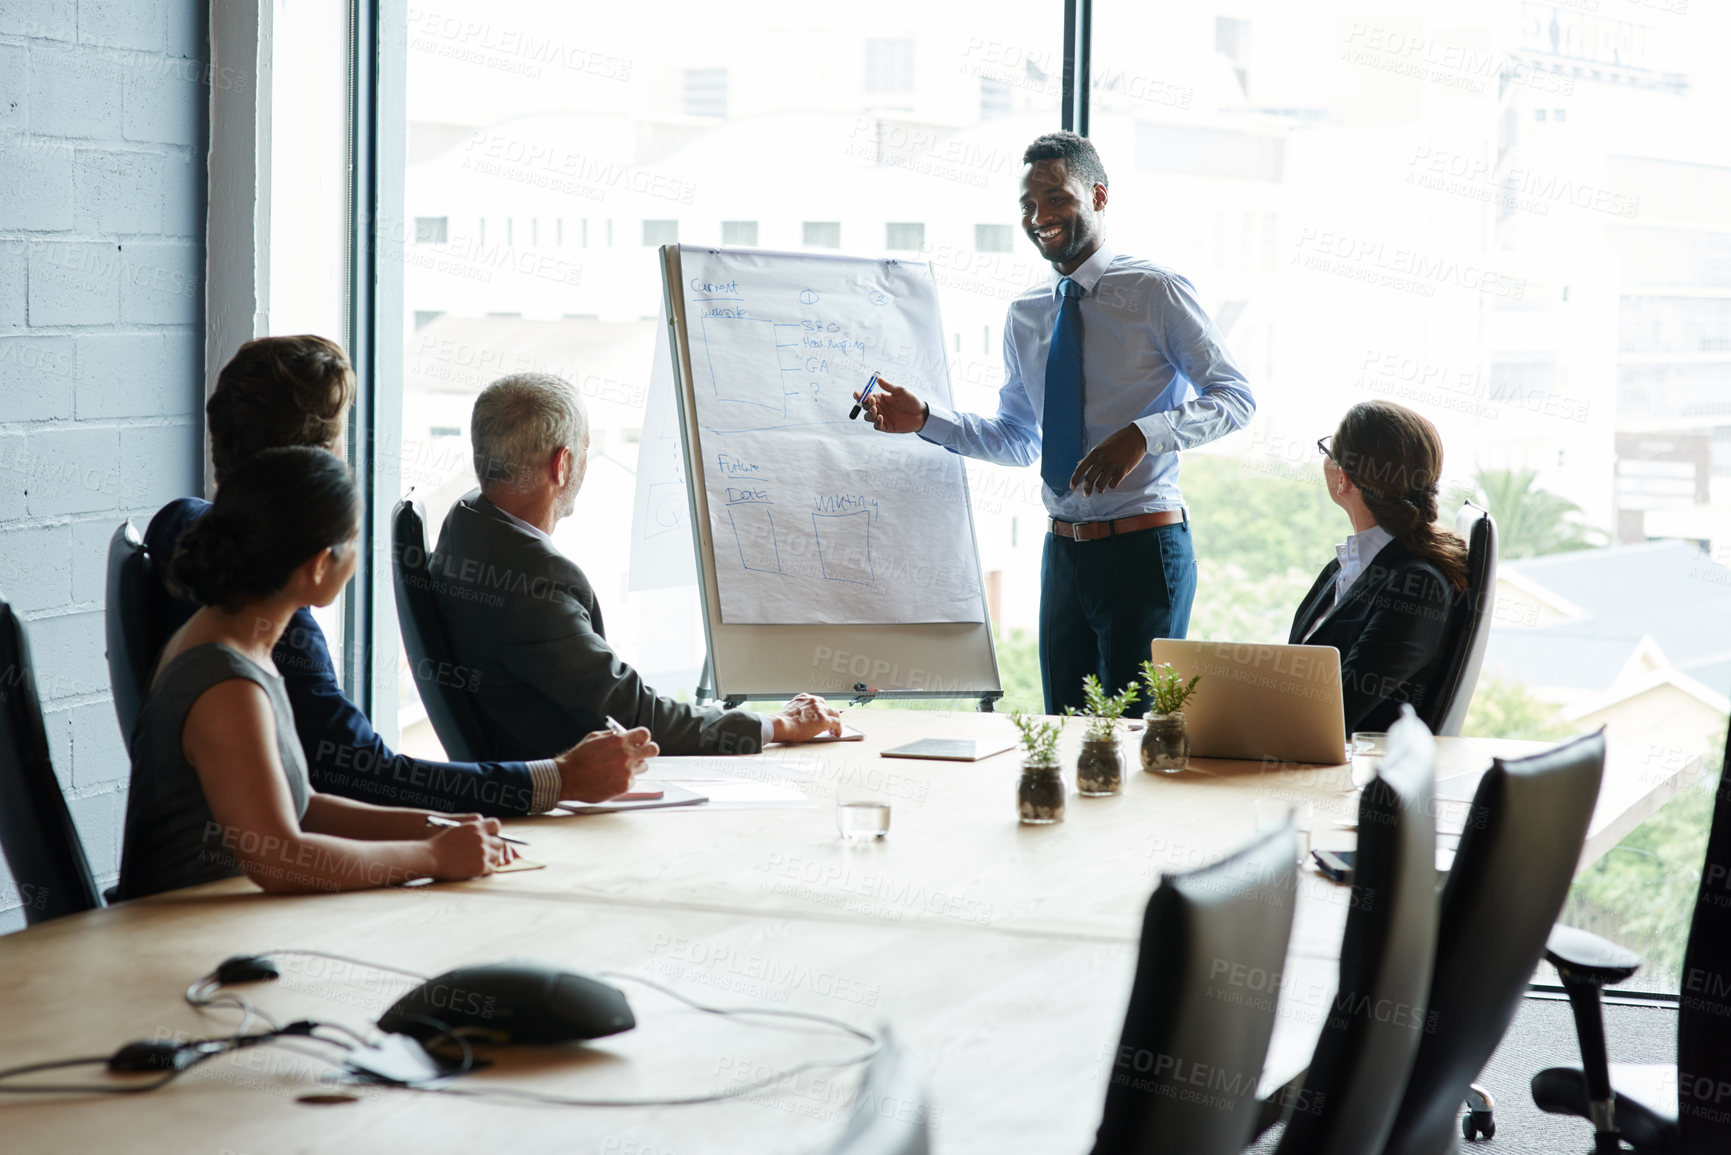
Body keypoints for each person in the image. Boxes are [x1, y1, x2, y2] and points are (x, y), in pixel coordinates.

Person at [145, 335, 642, 818]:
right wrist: (555, 780)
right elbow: (366, 776)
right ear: (312, 474)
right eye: (340, 442)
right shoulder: (268, 619)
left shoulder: (180, 531)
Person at [117, 449, 649, 899]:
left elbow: (300, 807)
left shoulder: (235, 638)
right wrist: (430, 857)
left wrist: (436, 826)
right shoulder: (228, 685)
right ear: (319, 565)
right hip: (185, 935)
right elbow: (281, 859)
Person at [857, 131, 1254, 714]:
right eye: (1026, 204)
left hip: (1144, 549)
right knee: (1064, 735)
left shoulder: (1155, 291)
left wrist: (1144, 435)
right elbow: (1019, 440)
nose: (1038, 216)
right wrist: (924, 420)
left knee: (1136, 739)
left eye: (1055, 197)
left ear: (1097, 196)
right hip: (1062, 553)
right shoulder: (1026, 312)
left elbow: (1235, 398)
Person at [431, 372, 842, 758]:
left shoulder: (465, 522)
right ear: (563, 464)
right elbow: (637, 720)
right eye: (587, 450)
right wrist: (777, 724)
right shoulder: (534, 583)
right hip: (565, 795)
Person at [1290, 401, 1468, 733]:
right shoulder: (1343, 568)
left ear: (1344, 479)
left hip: (1349, 775)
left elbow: (1336, 714)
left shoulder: (1417, 586)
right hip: (1299, 757)